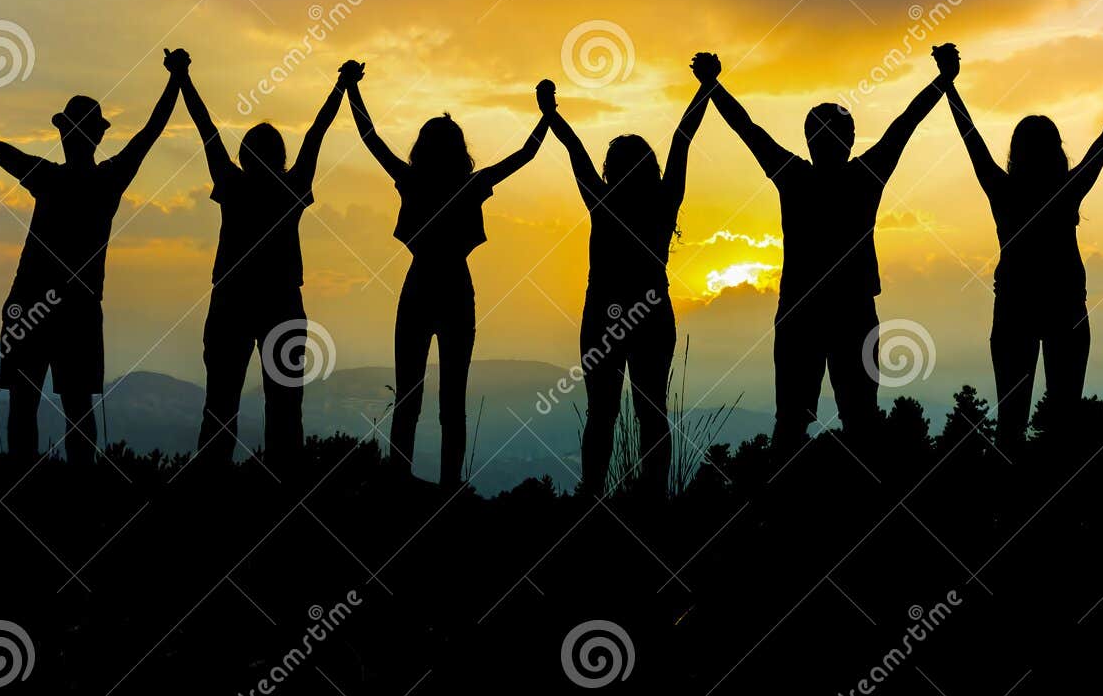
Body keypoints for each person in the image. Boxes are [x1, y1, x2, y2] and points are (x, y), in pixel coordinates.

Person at [0, 51, 185, 466]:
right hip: (75, 308)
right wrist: (177, 79)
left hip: (30, 303)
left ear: (67, 135)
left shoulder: (49, 177)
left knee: (27, 403)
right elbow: (151, 131)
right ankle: (78, 497)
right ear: (96, 137)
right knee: (75, 408)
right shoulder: (106, 180)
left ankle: (24, 492)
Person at [707, 44, 959, 450]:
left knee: (794, 421)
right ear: (851, 139)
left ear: (809, 140)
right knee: (857, 420)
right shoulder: (863, 177)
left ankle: (777, 510)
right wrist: (944, 80)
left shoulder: (795, 178)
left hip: (803, 312)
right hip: (851, 312)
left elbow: (748, 129)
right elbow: (904, 125)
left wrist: (713, 86)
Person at [942, 40, 1103, 451]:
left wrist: (948, 85)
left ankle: (1015, 511)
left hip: (1018, 314)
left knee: (1014, 426)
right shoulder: (1065, 191)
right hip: (1061, 313)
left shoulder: (1006, 192)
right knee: (1063, 425)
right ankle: (1055, 507)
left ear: (1017, 153)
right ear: (1055, 151)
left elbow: (970, 136)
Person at [346, 66, 549, 489]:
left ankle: (399, 478)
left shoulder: (413, 179)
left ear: (422, 148)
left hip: (419, 288)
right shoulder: (470, 185)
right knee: (451, 401)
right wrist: (547, 114)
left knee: (409, 396)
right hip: (456, 291)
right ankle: (448, 486)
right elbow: (524, 156)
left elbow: (370, 139)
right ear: (460, 151)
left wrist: (351, 89)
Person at [540, 55, 719, 498]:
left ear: (611, 170)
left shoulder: (603, 203)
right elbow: (683, 138)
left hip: (603, 312)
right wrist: (707, 86)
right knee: (650, 412)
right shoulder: (662, 202)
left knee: (603, 413)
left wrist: (550, 113)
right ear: (649, 168)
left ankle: (592, 495)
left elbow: (575, 151)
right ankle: (652, 497)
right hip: (652, 315)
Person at [179, 53, 364, 473]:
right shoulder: (292, 186)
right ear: (280, 155)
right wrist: (343, 86)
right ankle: (285, 487)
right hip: (281, 303)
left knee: (220, 402)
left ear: (245, 155)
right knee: (284, 406)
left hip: (231, 302)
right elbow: (317, 133)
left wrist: (184, 78)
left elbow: (205, 128)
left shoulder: (232, 183)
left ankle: (211, 483)